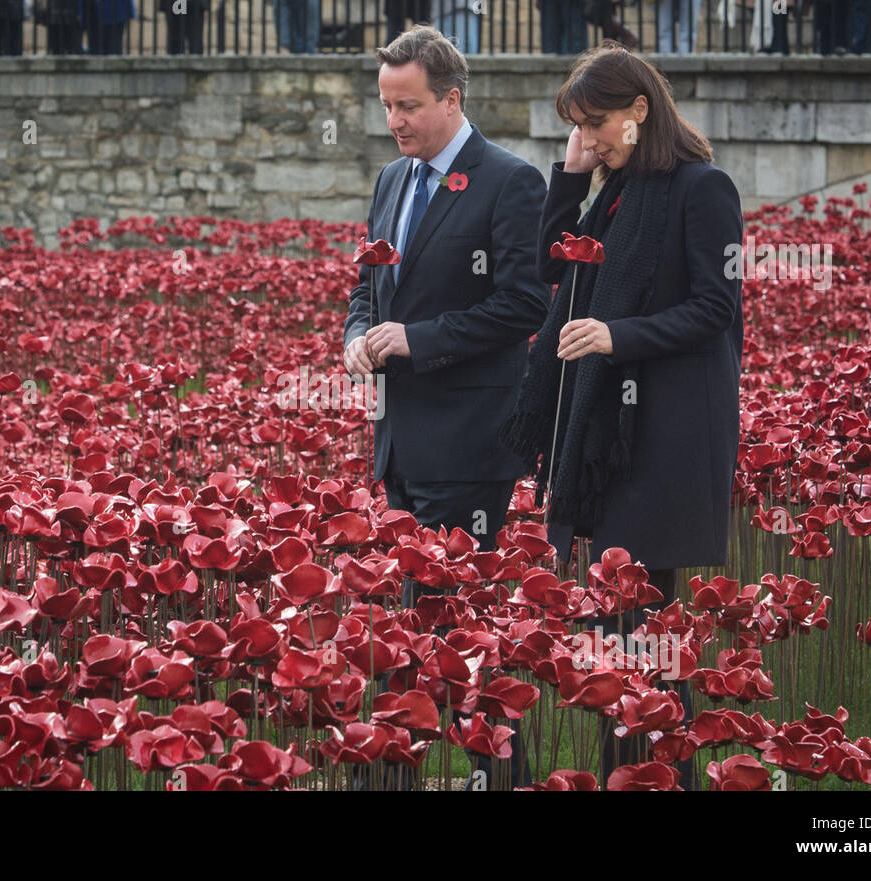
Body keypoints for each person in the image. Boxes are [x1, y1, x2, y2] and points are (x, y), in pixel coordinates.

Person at [500, 41, 743, 790]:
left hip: (659, 440)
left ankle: (652, 776)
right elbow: (547, 266)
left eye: (597, 122)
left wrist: (616, 336)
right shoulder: (609, 192)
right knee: (619, 629)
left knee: (646, 628)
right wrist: (569, 173)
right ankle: (635, 776)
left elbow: (716, 307)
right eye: (579, 125)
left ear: (641, 109)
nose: (592, 136)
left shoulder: (702, 188)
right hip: (605, 439)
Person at [344, 25, 550, 789]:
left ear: (452, 98)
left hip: (469, 442)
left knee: (466, 633)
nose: (395, 121)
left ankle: (497, 777)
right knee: (402, 627)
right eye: (386, 106)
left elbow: (522, 305)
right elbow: (368, 286)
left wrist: (416, 339)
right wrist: (358, 334)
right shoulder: (392, 180)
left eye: (409, 106)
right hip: (400, 440)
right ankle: (393, 775)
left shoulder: (509, 180)